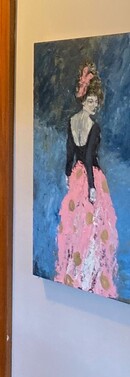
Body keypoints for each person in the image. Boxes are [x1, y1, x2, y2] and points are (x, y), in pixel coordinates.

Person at [54, 62, 118, 297]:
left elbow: (70, 155)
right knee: (91, 228)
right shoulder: (93, 126)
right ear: (83, 100)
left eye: (96, 101)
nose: (94, 105)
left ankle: (76, 275)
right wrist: (92, 187)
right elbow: (89, 156)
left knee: (77, 226)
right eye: (91, 101)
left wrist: (67, 174)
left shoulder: (71, 122)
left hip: (77, 176)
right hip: (90, 178)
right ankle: (88, 278)